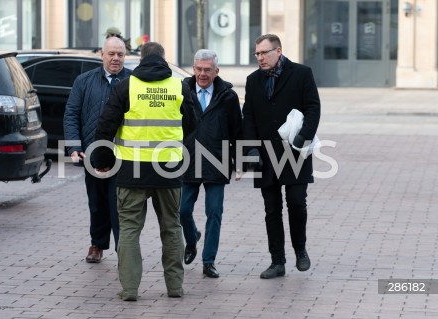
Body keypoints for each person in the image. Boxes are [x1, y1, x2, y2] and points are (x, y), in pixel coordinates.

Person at [93, 42, 196, 301]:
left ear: (140, 59)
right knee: (172, 228)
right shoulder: (178, 86)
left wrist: (102, 159)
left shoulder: (126, 86)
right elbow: (194, 123)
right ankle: (175, 287)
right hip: (169, 169)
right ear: (163, 58)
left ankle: (129, 290)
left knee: (129, 230)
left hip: (131, 169)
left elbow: (106, 125)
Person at [241, 34, 320, 279]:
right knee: (271, 209)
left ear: (279, 51)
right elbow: (249, 116)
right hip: (265, 153)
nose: (260, 58)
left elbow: (313, 108)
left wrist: (303, 137)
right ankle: (277, 261)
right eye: (257, 54)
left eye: (264, 53)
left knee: (297, 203)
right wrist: (251, 149)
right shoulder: (253, 80)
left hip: (294, 151)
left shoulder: (301, 73)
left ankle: (300, 250)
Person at [63, 36, 132, 263]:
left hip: (123, 154)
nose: (115, 59)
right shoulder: (84, 81)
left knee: (119, 202)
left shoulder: (133, 82)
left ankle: (124, 248)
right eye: (111, 54)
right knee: (97, 202)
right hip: (92, 153)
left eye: (120, 55)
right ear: (102, 55)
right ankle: (97, 244)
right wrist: (74, 146)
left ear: (125, 57)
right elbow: (71, 114)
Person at [179, 49, 242, 278]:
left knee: (214, 213)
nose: (202, 74)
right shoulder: (182, 92)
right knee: (182, 210)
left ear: (216, 71)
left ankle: (208, 261)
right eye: (198, 69)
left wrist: (241, 161)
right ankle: (192, 237)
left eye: (207, 70)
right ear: (193, 69)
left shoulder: (228, 97)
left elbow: (237, 130)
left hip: (218, 159)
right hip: (188, 160)